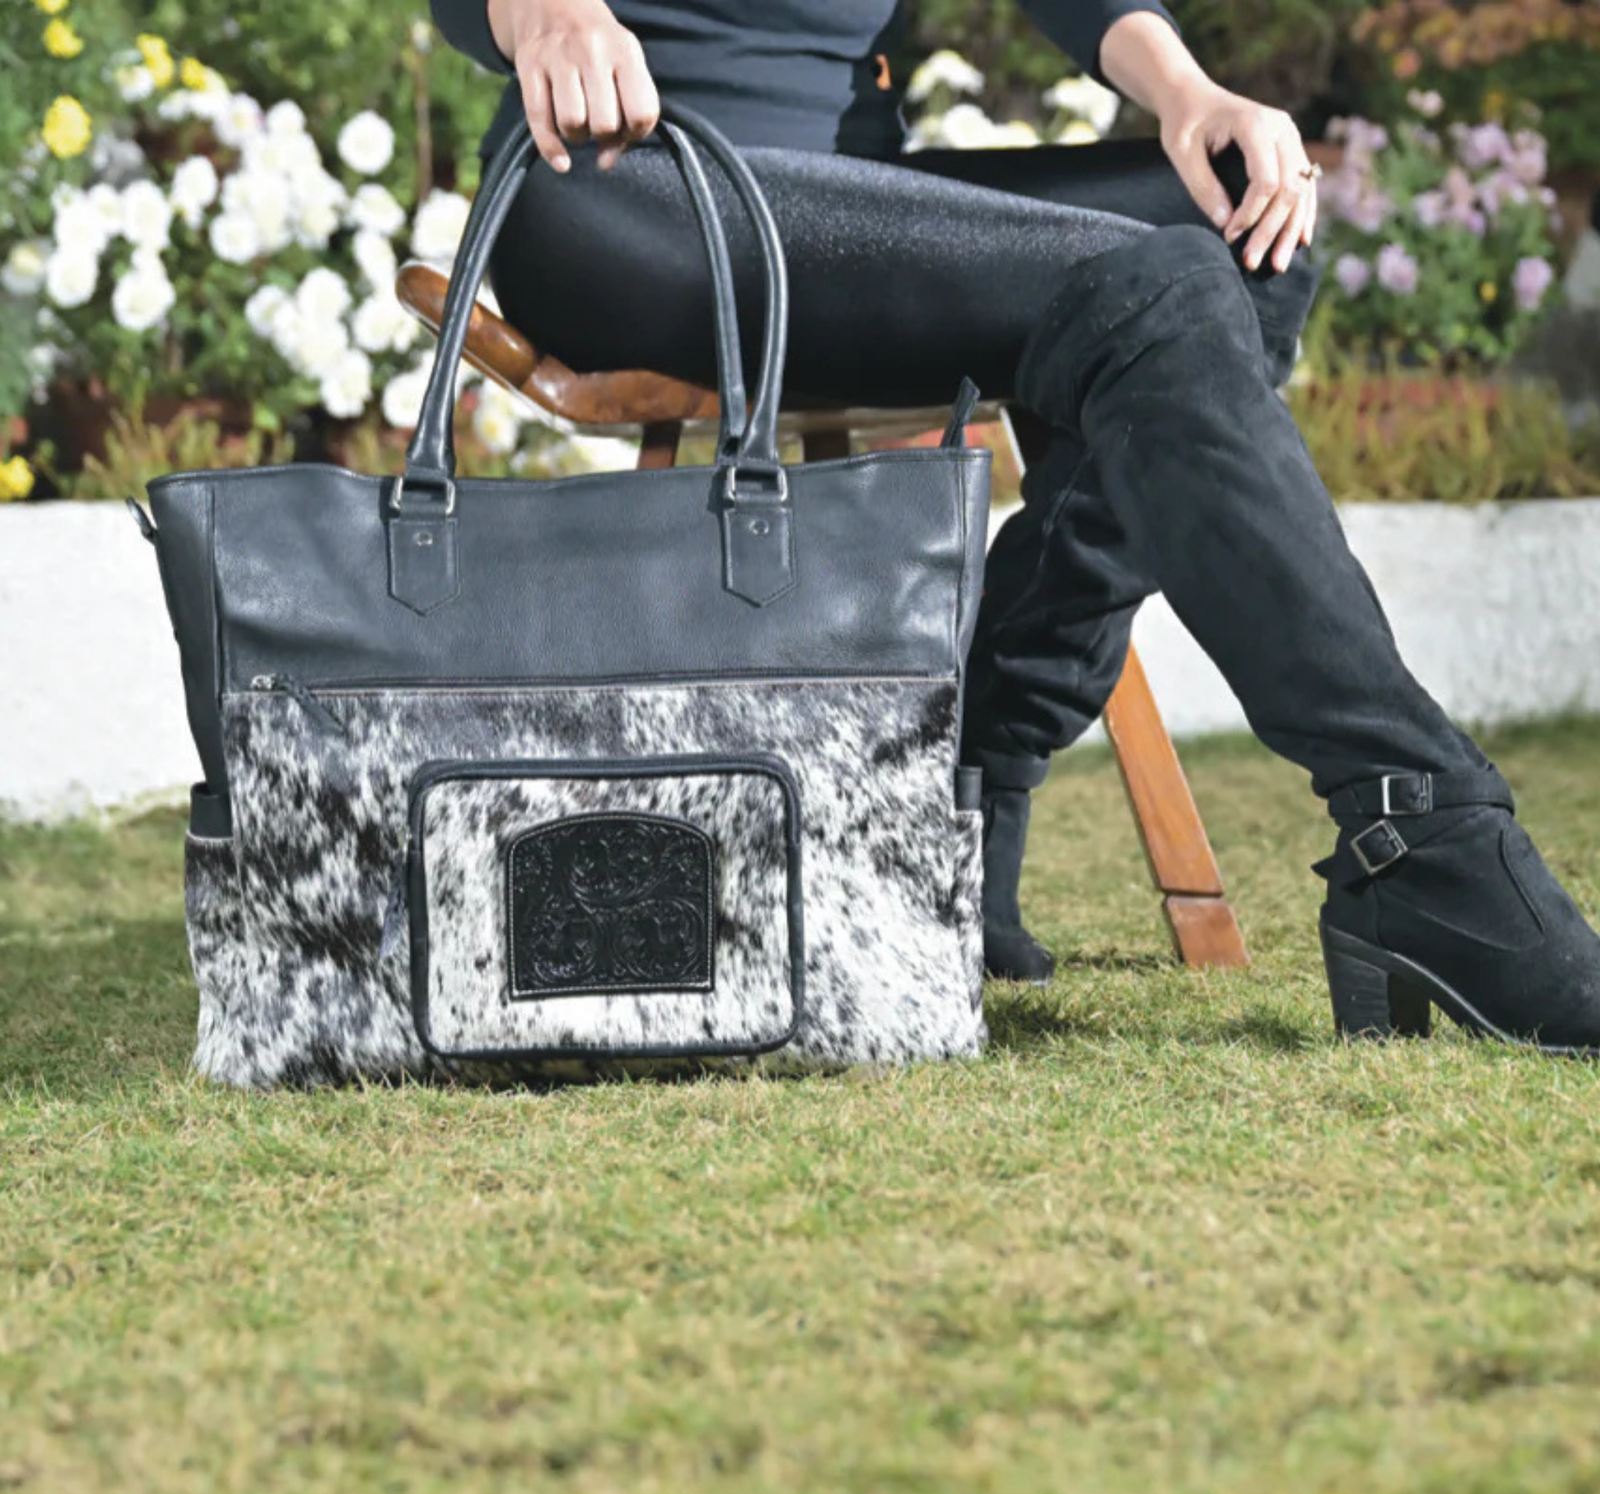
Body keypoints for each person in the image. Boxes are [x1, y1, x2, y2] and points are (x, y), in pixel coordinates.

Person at [430, 0, 1600, 1055]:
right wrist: (542, 11)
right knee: (1158, 283)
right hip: (624, 190)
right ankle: (1419, 823)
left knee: (1248, 226)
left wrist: (1187, 91)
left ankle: (973, 755)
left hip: (856, 201)